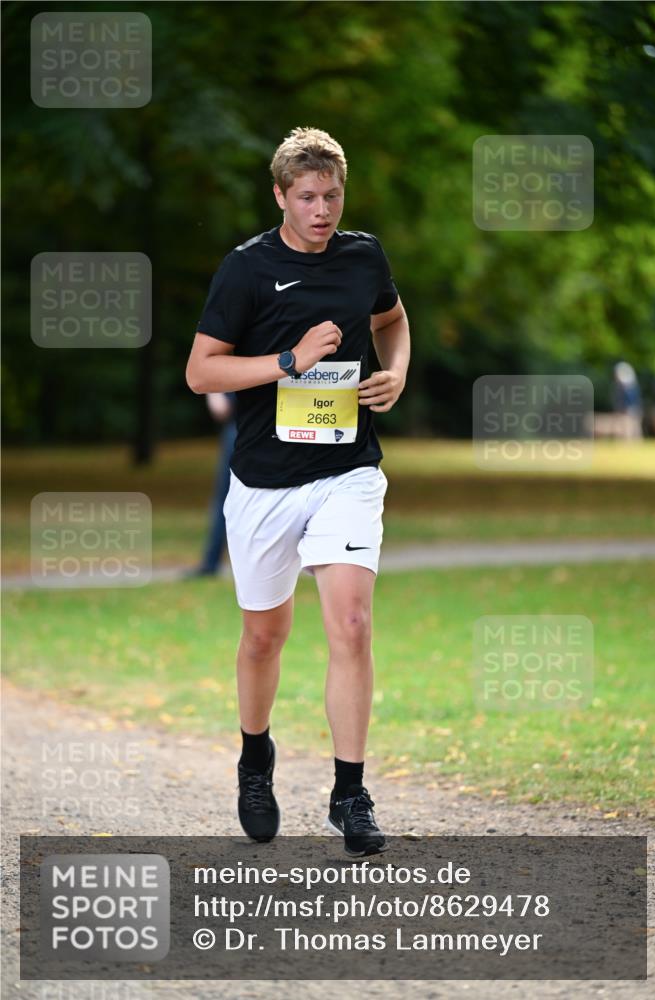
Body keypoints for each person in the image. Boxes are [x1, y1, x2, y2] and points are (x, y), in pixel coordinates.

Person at [185, 126, 410, 856]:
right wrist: (289, 360)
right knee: (264, 636)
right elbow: (201, 372)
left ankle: (350, 792)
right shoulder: (246, 269)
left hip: (347, 471)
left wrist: (396, 371)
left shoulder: (363, 255)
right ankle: (256, 761)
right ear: (280, 195)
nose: (322, 211)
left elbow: (391, 318)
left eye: (332, 196)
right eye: (308, 197)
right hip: (263, 482)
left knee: (352, 624)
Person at [183, 393, 237, 578]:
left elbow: (221, 409)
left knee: (224, 501)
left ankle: (211, 562)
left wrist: (211, 389)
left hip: (241, 434)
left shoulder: (236, 372)